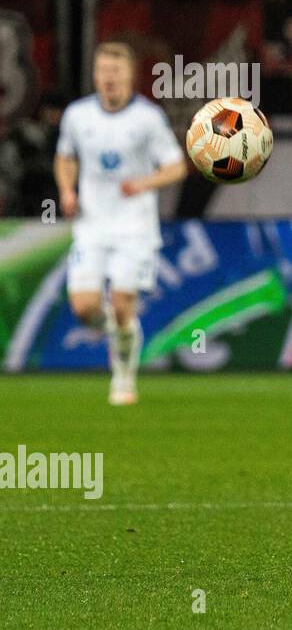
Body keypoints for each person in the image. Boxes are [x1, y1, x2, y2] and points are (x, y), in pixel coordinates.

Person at [54, 42, 188, 405]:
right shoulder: (78, 115)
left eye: (115, 71)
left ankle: (123, 378)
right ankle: (120, 332)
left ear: (130, 75)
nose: (108, 78)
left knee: (123, 301)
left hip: (134, 227)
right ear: (95, 75)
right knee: (83, 309)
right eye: (102, 71)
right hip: (91, 226)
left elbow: (176, 166)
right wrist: (66, 190)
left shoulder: (148, 118)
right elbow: (65, 157)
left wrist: (144, 183)